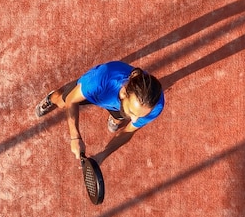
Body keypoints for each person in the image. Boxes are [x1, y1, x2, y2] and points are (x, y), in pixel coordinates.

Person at [35, 60, 164, 165]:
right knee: (62, 101)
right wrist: (75, 137)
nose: (135, 120)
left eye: (140, 115)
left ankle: (115, 119)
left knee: (120, 119)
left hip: (118, 106)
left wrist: (102, 156)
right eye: (133, 112)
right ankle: (50, 98)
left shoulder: (154, 107)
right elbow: (71, 100)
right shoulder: (101, 78)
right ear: (124, 93)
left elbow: (129, 130)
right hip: (94, 94)